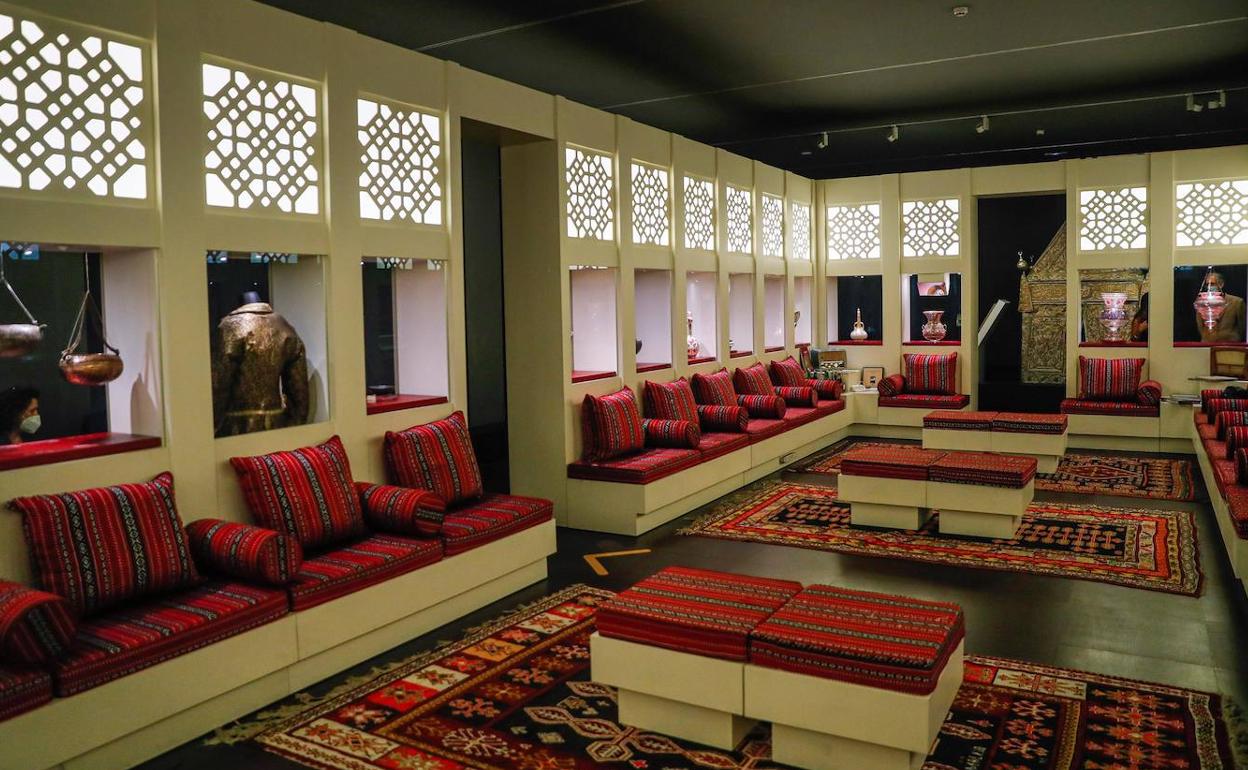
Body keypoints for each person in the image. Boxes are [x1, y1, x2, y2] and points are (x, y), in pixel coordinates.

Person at [1199, 272, 1246, 343]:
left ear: (1221, 284)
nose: (1209, 287)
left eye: (1212, 284)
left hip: (1231, 344)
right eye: (1207, 284)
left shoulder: (1237, 302)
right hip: (1207, 343)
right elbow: (1200, 325)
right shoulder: (1201, 303)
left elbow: (1242, 326)